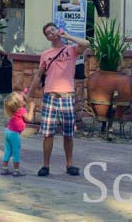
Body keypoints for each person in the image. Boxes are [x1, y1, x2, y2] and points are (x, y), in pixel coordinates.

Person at [26, 22, 90, 177]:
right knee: (48, 133)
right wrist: (28, 95)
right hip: (50, 96)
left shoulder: (71, 50)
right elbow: (39, 75)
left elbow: (86, 43)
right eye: (48, 32)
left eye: (53, 30)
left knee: (68, 133)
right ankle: (45, 165)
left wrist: (66, 36)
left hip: (67, 96)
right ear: (47, 37)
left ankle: (70, 164)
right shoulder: (46, 54)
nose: (52, 33)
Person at [0, 90, 36, 176]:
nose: (21, 96)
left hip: (8, 131)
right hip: (14, 134)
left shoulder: (13, 109)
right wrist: (32, 108)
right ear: (18, 103)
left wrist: (23, 96)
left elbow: (22, 102)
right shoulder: (21, 110)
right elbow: (29, 119)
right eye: (20, 97)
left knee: (8, 151)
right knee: (16, 152)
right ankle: (16, 171)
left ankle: (4, 169)